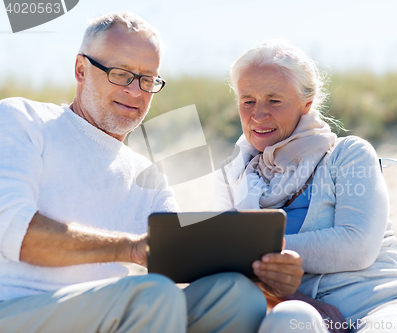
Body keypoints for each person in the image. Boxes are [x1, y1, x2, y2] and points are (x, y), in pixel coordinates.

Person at [0, 11, 268, 333]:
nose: (137, 92)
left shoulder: (148, 176)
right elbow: (15, 231)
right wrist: (129, 248)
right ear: (81, 70)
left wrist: (265, 272)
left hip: (104, 313)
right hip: (15, 309)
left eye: (148, 79)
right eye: (121, 74)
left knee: (237, 297)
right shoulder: (23, 119)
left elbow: (179, 258)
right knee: (153, 297)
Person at [215, 40, 397, 333]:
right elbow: (223, 262)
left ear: (306, 104)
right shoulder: (232, 175)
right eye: (248, 100)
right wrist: (293, 294)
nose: (258, 114)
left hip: (379, 301)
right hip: (291, 307)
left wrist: (253, 252)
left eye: (274, 100)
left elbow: (356, 246)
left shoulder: (348, 155)